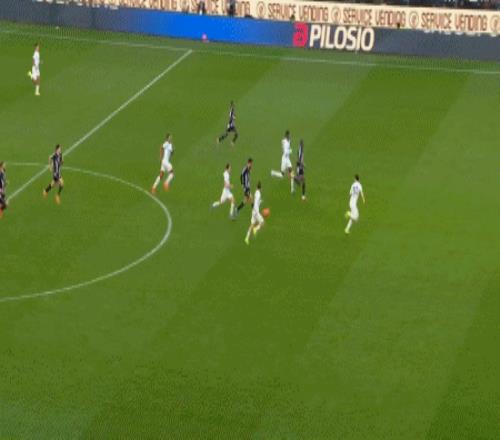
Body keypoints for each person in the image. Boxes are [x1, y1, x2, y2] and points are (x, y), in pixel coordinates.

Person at [245, 181, 264, 245]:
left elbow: (255, 201)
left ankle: (246, 238)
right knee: (262, 223)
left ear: (256, 187)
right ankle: (255, 229)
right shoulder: (259, 194)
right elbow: (255, 203)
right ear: (260, 188)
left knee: (252, 224)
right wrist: (257, 212)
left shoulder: (256, 192)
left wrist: (260, 202)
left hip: (253, 211)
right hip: (256, 211)